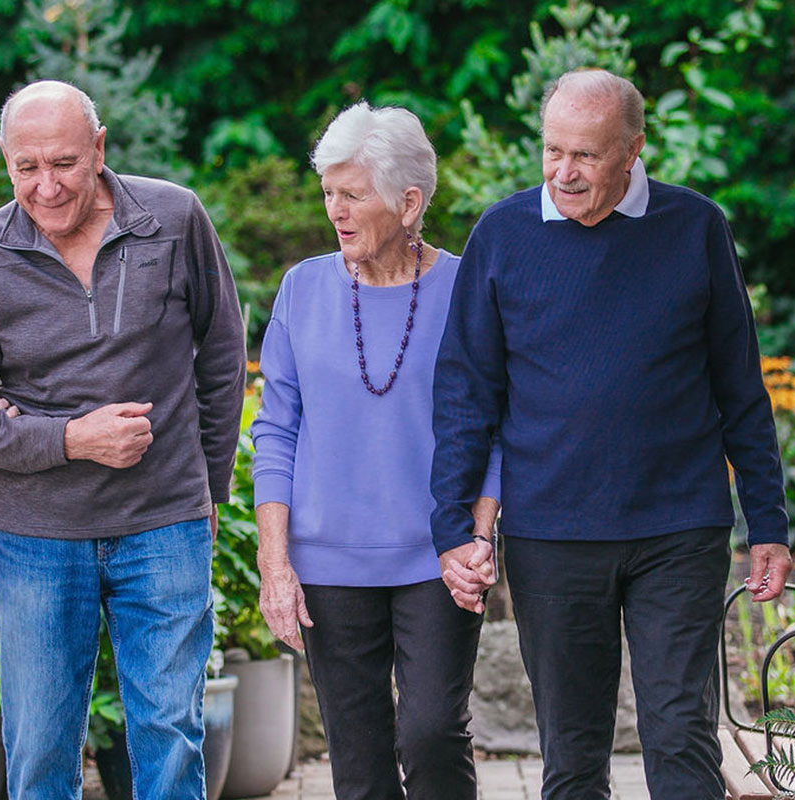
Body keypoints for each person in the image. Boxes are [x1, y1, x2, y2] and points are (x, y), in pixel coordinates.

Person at [428, 69, 794, 800]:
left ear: (633, 150)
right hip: (552, 533)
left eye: (586, 156)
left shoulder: (695, 228)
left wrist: (770, 524)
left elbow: (741, 391)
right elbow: (467, 394)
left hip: (679, 527)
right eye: (552, 150)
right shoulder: (501, 236)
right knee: (572, 753)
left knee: (681, 737)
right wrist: (452, 526)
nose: (563, 172)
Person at [0, 80, 244, 800]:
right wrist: (71, 439)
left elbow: (222, 358)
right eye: (26, 167)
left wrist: (209, 489)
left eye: (65, 163)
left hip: (164, 523)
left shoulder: (173, 217)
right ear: (5, 160)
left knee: (169, 736)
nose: (46, 186)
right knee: (39, 747)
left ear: (100, 148)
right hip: (38, 536)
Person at [249, 102, 499, 800]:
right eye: (329, 192)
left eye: (353, 194)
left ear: (409, 201)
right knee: (357, 761)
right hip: (329, 562)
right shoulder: (302, 289)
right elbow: (275, 430)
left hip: (437, 553)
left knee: (430, 732)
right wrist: (275, 562)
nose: (336, 209)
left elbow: (493, 425)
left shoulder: (464, 287)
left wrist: (480, 536)